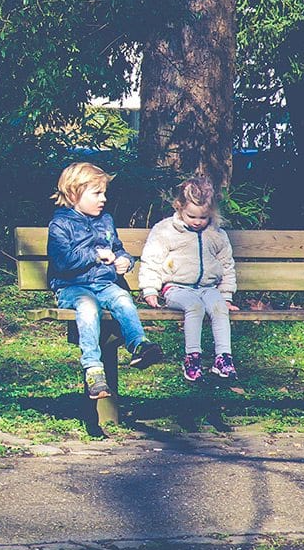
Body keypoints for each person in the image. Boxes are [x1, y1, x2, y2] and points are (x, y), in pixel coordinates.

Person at [47, 162, 164, 399]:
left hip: (103, 284)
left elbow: (118, 249)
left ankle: (139, 345)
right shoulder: (60, 224)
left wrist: (124, 260)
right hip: (72, 287)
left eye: (104, 193)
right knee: (89, 308)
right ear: (73, 194)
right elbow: (62, 262)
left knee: (122, 297)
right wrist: (95, 255)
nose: (103, 199)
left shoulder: (105, 221)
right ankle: (93, 369)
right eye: (97, 193)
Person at [138, 175, 238, 382]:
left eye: (203, 217)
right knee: (195, 306)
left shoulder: (216, 233)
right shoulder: (166, 230)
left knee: (219, 307)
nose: (197, 222)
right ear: (179, 207)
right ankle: (192, 358)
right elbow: (152, 259)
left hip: (208, 288)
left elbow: (227, 265)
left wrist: (226, 295)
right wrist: (150, 289)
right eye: (191, 216)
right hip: (176, 289)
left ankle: (223, 358)